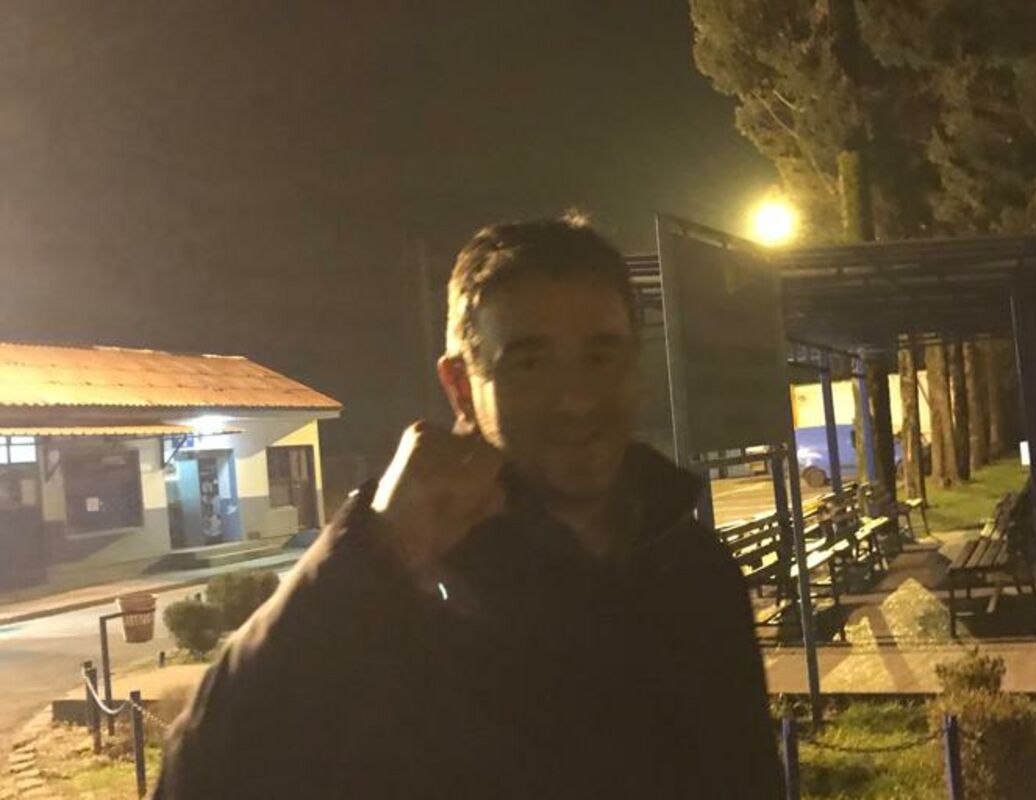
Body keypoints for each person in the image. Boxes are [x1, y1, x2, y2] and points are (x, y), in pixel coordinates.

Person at [153, 216, 784, 799]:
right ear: (459, 385)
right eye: (529, 364)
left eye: (600, 356)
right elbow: (204, 782)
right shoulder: (397, 588)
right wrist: (369, 550)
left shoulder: (693, 569)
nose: (576, 400)